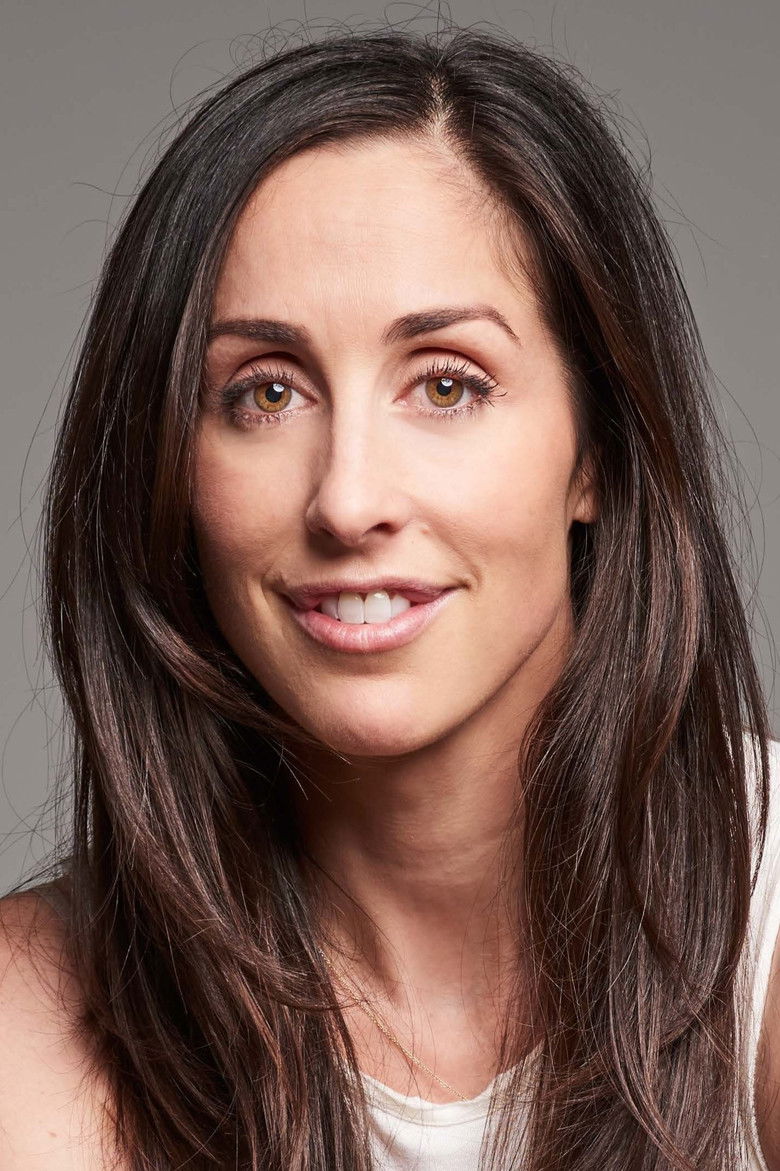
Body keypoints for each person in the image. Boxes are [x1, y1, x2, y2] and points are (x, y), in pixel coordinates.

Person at [0, 19, 777, 1171]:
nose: (348, 499)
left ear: (598, 454)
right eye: (266, 393)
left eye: (447, 385)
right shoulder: (32, 1014)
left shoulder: (765, 903)